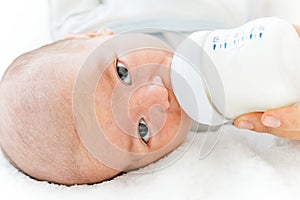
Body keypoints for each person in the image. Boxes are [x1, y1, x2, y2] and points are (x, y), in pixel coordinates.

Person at [0, 0, 298, 186]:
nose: (159, 97)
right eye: (142, 131)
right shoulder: (218, 107)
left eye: (122, 72)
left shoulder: (78, 19)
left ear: (93, 36)